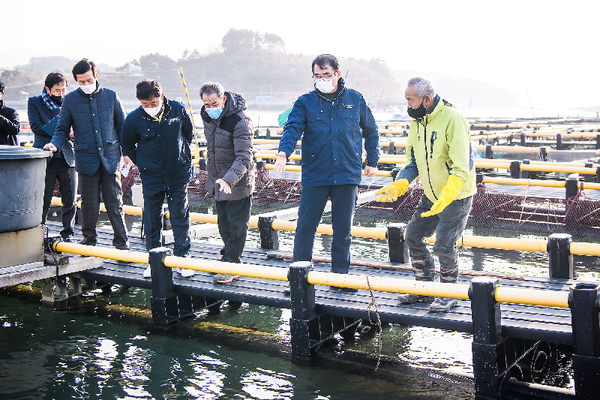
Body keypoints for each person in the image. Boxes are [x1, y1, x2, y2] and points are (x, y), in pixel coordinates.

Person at [274, 54, 379, 291]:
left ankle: (340, 278)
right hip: (316, 174)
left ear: (337, 74)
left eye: (327, 75)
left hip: (347, 174)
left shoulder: (355, 99)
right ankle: (299, 277)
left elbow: (371, 131)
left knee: (343, 230)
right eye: (317, 76)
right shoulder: (305, 102)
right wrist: (283, 152)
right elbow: (293, 128)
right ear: (312, 76)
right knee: (305, 227)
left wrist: (372, 159)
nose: (322, 79)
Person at [375, 77, 476, 312]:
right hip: (431, 193)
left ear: (426, 99)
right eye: (406, 100)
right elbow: (413, 161)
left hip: (457, 195)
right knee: (412, 235)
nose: (407, 105)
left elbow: (462, 167)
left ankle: (448, 292)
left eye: (410, 100)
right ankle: (424, 288)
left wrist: (448, 194)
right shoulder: (418, 122)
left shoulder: (453, 119)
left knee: (444, 244)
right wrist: (399, 184)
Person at [44, 59, 129, 250]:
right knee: (89, 205)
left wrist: (127, 154)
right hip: (85, 159)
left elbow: (122, 127)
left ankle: (122, 242)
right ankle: (89, 240)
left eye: (89, 80)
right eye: (81, 82)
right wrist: (54, 145)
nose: (86, 85)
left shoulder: (111, 96)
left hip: (110, 157)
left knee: (114, 202)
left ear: (96, 76)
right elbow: (62, 129)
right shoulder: (70, 100)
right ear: (75, 81)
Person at [122, 80, 194, 278]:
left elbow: (189, 134)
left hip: (177, 172)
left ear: (161, 97)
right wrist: (143, 162)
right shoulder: (134, 118)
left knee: (180, 215)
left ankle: (182, 258)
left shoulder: (177, 110)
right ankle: (154, 259)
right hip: (151, 175)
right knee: (152, 218)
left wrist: (180, 156)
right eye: (145, 105)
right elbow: (127, 145)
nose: (150, 108)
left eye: (153, 104)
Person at [199, 82, 254, 284]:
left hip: (237, 182)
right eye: (206, 103)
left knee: (237, 226)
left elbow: (244, 157)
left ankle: (232, 263)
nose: (210, 107)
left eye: (213, 102)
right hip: (217, 180)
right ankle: (227, 255)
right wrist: (214, 179)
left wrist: (229, 179)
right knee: (223, 225)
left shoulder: (240, 121)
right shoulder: (206, 117)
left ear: (223, 99)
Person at [29, 72, 78, 242]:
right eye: (57, 91)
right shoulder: (34, 102)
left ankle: (68, 233)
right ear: (48, 89)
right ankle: (37, 232)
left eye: (64, 89)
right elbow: (36, 128)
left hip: (66, 155)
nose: (61, 93)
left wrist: (70, 132)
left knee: (70, 198)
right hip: (44, 156)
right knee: (42, 198)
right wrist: (62, 128)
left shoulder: (70, 101)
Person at [0, 80, 20, 145]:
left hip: (7, 152)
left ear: (1, 94)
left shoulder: (11, 112)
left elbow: (16, 130)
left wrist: (1, 118)